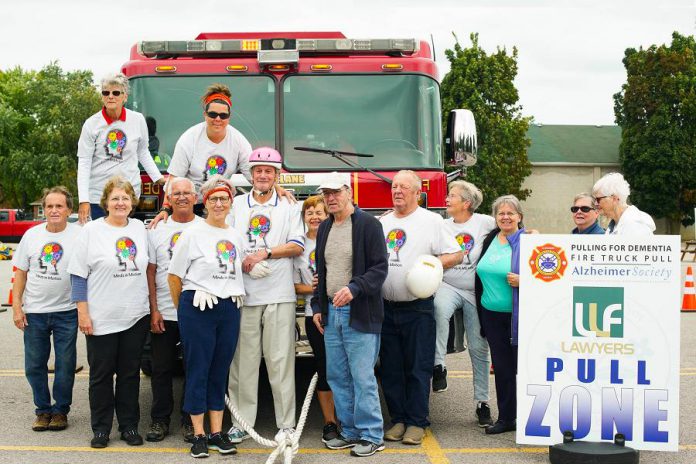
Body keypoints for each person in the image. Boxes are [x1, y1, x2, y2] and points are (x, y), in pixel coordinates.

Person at [227, 147, 304, 443]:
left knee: (280, 361)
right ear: (251, 173)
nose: (262, 175)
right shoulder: (236, 205)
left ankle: (286, 425)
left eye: (268, 171)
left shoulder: (289, 206)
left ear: (277, 175)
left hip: (278, 293)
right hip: (243, 294)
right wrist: (244, 262)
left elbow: (296, 245)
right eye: (257, 170)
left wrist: (266, 254)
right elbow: (227, 243)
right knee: (243, 363)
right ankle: (242, 423)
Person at [379, 170, 462, 446]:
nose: (397, 191)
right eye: (394, 187)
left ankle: (417, 422)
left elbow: (456, 253)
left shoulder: (431, 221)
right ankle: (398, 419)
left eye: (404, 187)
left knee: (418, 366)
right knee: (391, 367)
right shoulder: (382, 222)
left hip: (418, 307)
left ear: (418, 192)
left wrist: (432, 267)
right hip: (386, 308)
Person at [67, 176, 151, 448]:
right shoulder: (91, 231)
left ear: (132, 203)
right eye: (115, 198)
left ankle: (128, 426)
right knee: (101, 376)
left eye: (125, 198)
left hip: (135, 316)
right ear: (105, 203)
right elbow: (78, 276)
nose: (120, 203)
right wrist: (83, 313)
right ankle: (101, 428)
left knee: (129, 375)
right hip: (101, 318)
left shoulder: (139, 228)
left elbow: (150, 268)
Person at [311, 173, 389, 457]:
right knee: (337, 375)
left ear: (349, 192)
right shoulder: (324, 228)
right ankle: (351, 431)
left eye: (335, 193)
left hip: (360, 312)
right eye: (326, 194)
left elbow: (380, 269)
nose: (330, 198)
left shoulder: (369, 225)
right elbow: (322, 273)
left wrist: (355, 288)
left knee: (362, 375)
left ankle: (372, 435)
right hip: (332, 312)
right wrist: (318, 307)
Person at [168, 175, 245, 458]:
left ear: (230, 203)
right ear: (206, 202)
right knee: (198, 369)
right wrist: (185, 309)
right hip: (198, 305)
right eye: (214, 198)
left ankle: (216, 432)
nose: (219, 203)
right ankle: (198, 433)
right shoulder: (193, 233)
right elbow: (173, 276)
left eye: (224, 198)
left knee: (219, 370)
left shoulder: (235, 235)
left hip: (228, 307)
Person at [151, 84, 293, 225]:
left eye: (223, 115)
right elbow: (174, 180)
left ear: (229, 117)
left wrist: (277, 188)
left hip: (220, 204)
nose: (218, 119)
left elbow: (254, 175)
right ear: (205, 114)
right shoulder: (189, 139)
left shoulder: (238, 141)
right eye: (213, 114)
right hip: (192, 205)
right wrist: (166, 208)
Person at [12, 186, 80, 432]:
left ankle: (60, 410)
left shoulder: (80, 235)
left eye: (59, 206)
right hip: (35, 312)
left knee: (65, 364)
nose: (53, 210)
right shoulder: (31, 236)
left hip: (67, 312)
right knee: (34, 365)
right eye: (49, 206)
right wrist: (17, 307)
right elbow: (21, 273)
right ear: (43, 209)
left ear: (69, 210)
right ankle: (42, 410)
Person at [432, 181, 495, 426]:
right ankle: (439, 366)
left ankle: (482, 402)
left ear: (466, 203)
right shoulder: (441, 224)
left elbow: (512, 229)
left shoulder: (484, 223)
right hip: (448, 284)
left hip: (475, 291)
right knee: (437, 309)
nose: (446, 200)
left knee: (479, 347)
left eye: (452, 196)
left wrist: (531, 234)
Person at [145, 177, 202, 443]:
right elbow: (151, 271)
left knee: (195, 368)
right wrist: (154, 309)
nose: (181, 197)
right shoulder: (156, 230)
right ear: (168, 199)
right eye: (176, 193)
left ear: (195, 197)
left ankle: (190, 420)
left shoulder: (206, 227)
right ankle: (160, 420)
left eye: (186, 193)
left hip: (198, 311)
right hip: (165, 312)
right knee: (162, 369)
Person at [76, 73, 163, 224]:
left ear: (125, 96)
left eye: (116, 92)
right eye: (106, 92)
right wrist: (83, 200)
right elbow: (84, 163)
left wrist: (159, 179)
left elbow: (143, 152)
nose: (110, 96)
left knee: (124, 238)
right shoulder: (91, 124)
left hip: (129, 195)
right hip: (99, 197)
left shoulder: (138, 120)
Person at [475, 194, 528, 434]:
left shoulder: (529, 242)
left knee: (523, 368)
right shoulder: (489, 239)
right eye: (501, 213)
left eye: (510, 213)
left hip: (520, 317)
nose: (505, 217)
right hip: (491, 315)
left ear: (520, 217)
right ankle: (507, 418)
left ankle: (529, 419)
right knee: (503, 370)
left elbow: (550, 277)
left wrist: (525, 280)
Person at [292, 195, 339, 443]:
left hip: (341, 312)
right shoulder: (298, 249)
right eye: (309, 212)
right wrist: (314, 289)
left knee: (345, 369)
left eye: (319, 212)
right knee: (325, 368)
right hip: (315, 316)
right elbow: (293, 285)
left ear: (328, 215)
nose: (314, 216)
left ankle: (349, 419)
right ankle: (330, 423)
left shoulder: (338, 240)